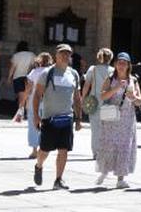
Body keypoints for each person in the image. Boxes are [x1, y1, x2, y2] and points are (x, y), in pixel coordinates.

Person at [31, 44, 82, 190]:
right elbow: (36, 96)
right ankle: (38, 165)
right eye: (62, 53)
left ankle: (58, 179)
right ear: (56, 55)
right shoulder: (47, 73)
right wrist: (36, 116)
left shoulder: (74, 74)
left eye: (68, 54)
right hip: (49, 118)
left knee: (63, 149)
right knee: (44, 150)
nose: (65, 56)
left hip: (67, 118)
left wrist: (78, 119)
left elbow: (77, 98)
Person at [95, 52, 141, 189]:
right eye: (119, 63)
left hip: (127, 119)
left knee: (124, 147)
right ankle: (104, 171)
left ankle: (120, 179)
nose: (121, 65)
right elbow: (102, 96)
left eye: (124, 63)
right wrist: (116, 88)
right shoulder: (110, 78)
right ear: (115, 65)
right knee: (108, 145)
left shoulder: (133, 80)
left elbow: (139, 102)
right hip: (111, 118)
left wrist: (133, 97)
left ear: (128, 66)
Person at [81, 48, 115, 159]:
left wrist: (82, 98)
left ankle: (96, 152)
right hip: (108, 101)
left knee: (95, 129)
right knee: (107, 128)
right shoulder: (113, 71)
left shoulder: (93, 69)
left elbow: (86, 85)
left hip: (94, 101)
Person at [22, 52, 52, 158]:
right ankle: (42, 148)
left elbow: (28, 89)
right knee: (46, 125)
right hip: (48, 102)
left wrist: (24, 101)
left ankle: (34, 150)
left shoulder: (33, 72)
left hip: (33, 101)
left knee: (33, 125)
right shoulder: (51, 72)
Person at [8, 40, 35, 123]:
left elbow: (12, 68)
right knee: (27, 97)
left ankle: (20, 115)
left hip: (18, 77)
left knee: (21, 97)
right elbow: (34, 66)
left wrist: (9, 78)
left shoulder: (16, 56)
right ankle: (25, 114)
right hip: (29, 77)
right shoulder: (32, 55)